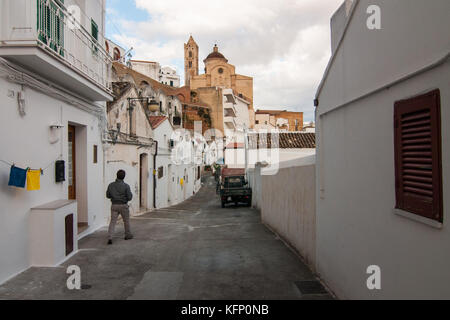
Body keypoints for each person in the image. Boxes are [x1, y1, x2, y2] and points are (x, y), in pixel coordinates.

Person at [106, 170, 133, 245]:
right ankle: (127, 235)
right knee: (126, 221)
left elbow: (108, 195)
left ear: (116, 175)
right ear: (124, 177)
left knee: (112, 222)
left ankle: (110, 237)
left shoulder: (111, 185)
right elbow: (129, 197)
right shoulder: (126, 186)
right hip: (123, 205)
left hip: (114, 205)